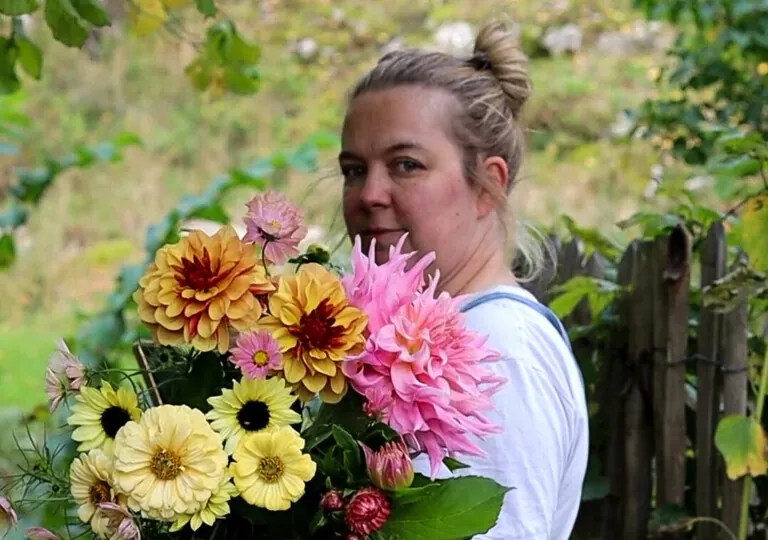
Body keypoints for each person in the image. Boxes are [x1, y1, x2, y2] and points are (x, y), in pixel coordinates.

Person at [338, 20, 589, 540]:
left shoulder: (497, 350)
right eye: (354, 169)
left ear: (486, 186)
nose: (369, 194)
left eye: (406, 165)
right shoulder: (445, 330)